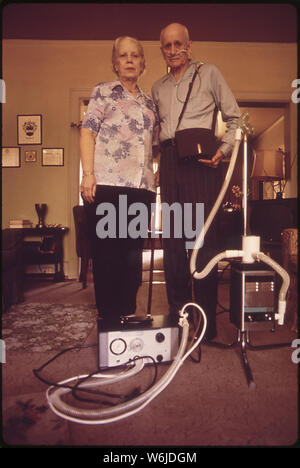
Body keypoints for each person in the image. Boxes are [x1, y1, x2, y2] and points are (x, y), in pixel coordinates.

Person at [152, 23, 241, 340]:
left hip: (202, 163)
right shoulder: (157, 87)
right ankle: (179, 320)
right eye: (167, 45)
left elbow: (235, 118)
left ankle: (205, 326)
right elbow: (155, 133)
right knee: (174, 242)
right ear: (161, 48)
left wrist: (223, 151)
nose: (173, 50)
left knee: (203, 242)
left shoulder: (210, 72)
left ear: (189, 46)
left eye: (179, 44)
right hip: (170, 163)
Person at [80, 36, 159, 327]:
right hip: (109, 187)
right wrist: (88, 174)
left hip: (142, 189)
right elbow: (87, 133)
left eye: (135, 55)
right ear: (115, 63)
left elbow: (157, 143)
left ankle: (127, 310)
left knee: (132, 253)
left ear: (142, 63)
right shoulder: (102, 92)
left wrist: (157, 171)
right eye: (123, 55)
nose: (129, 59)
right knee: (109, 254)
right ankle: (109, 316)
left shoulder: (150, 103)